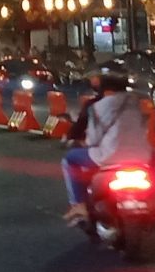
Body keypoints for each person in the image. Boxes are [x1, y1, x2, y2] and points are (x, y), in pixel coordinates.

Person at [61, 66, 146, 225]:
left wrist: (82, 142)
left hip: (110, 156)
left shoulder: (98, 107)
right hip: (142, 156)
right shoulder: (137, 103)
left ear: (104, 89)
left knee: (70, 160)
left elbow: (93, 140)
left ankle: (78, 204)